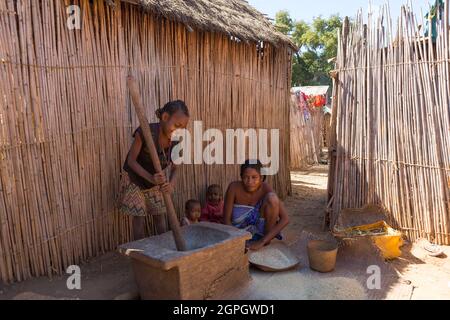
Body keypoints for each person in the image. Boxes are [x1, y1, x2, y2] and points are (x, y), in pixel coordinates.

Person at [117, 100, 190, 240]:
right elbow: (131, 161)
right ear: (165, 118)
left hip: (155, 182)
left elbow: (176, 167)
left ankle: (163, 251)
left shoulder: (176, 141)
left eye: (183, 128)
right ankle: (140, 252)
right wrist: (150, 178)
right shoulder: (145, 132)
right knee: (139, 217)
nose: (179, 131)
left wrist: (172, 184)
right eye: (176, 125)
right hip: (136, 180)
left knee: (160, 217)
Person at [223, 160, 290, 251]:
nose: (250, 181)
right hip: (237, 233)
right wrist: (237, 240)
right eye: (246, 177)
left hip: (260, 234)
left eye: (254, 177)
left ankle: (266, 241)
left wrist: (262, 241)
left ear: (261, 177)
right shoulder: (234, 188)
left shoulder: (265, 188)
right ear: (241, 177)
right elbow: (226, 220)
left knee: (272, 198)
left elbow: (285, 219)